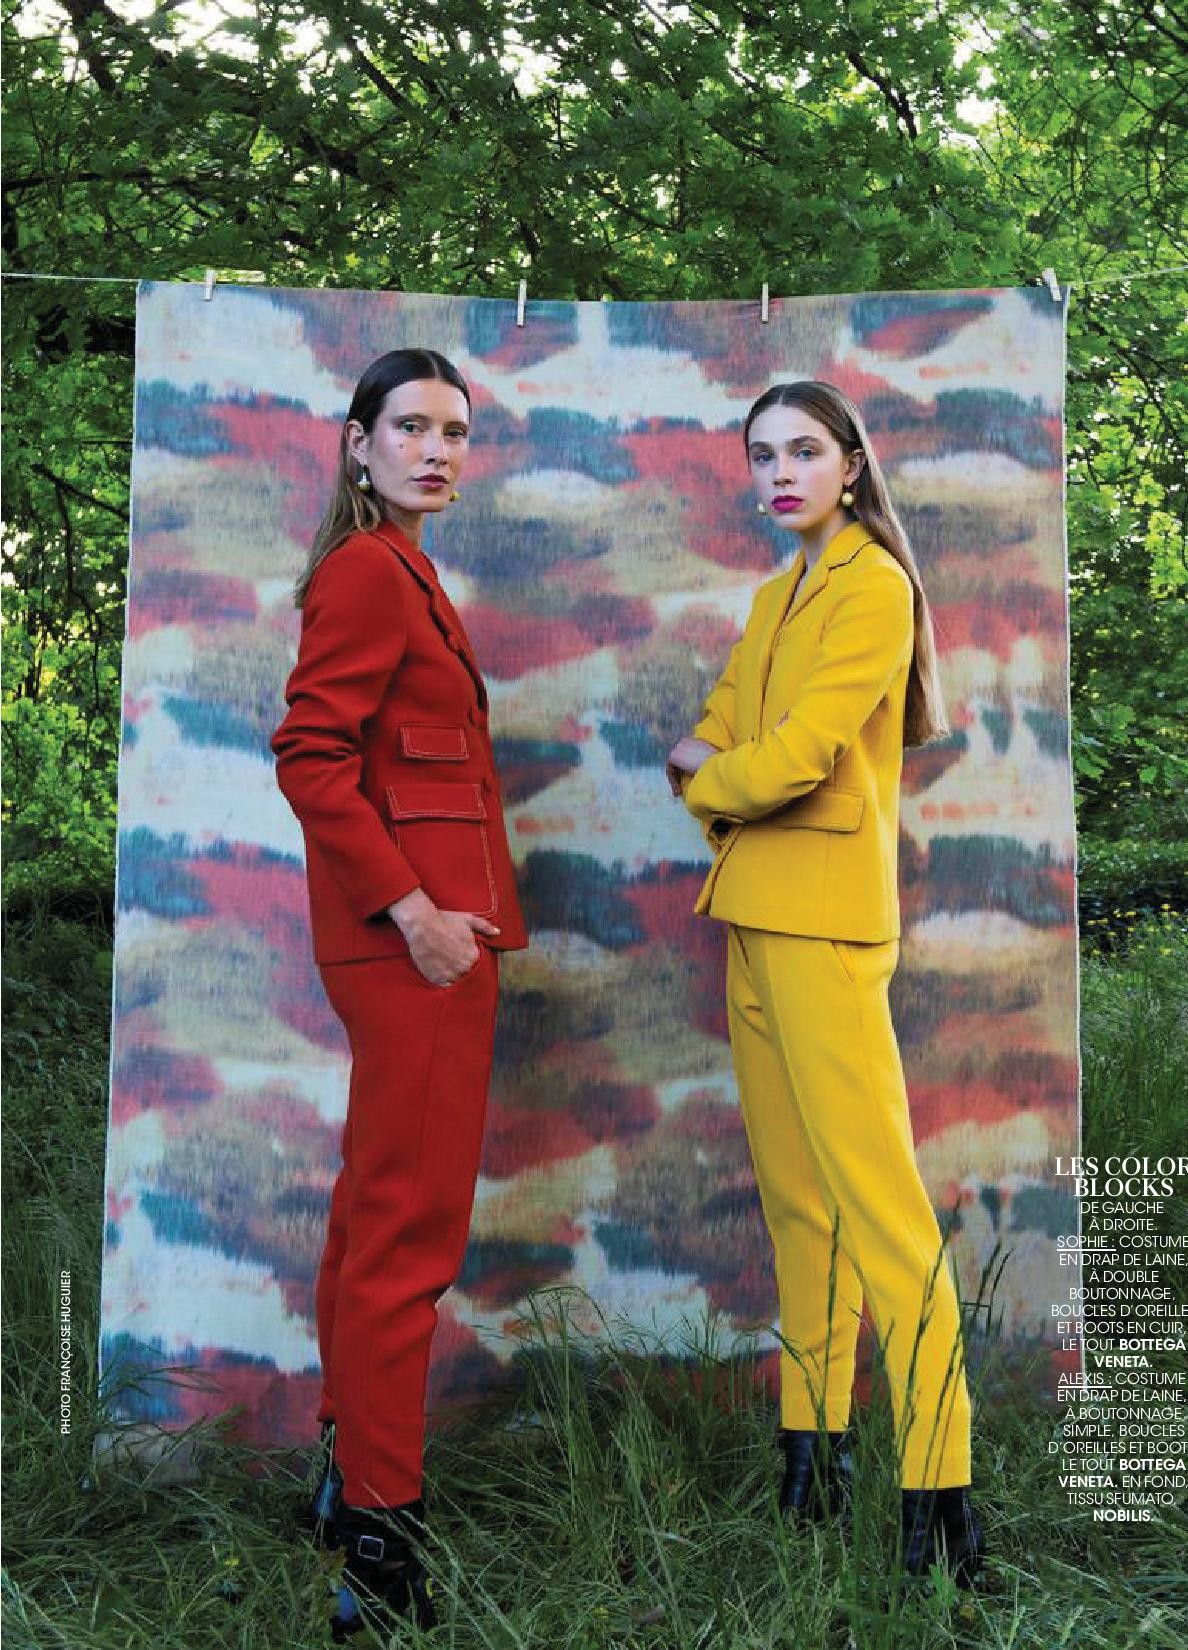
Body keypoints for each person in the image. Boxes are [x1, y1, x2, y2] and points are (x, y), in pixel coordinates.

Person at [666, 380, 984, 1585]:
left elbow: (790, 757)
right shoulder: (774, 595)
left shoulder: (875, 587)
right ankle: (813, 1457)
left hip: (829, 931)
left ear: (851, 465)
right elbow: (720, 728)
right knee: (800, 1211)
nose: (780, 474)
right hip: (751, 915)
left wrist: (713, 776)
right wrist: (724, 768)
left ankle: (941, 1499)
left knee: (886, 1218)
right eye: (762, 456)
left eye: (803, 451)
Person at [271, 348, 528, 1637]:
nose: (436, 450)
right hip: (412, 948)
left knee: (373, 1214)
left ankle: (343, 1473)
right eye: (412, 427)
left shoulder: (398, 568)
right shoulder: (371, 571)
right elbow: (309, 755)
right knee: (405, 1238)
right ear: (358, 442)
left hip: (422, 943)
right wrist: (415, 913)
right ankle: (381, 1545)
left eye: (454, 432)